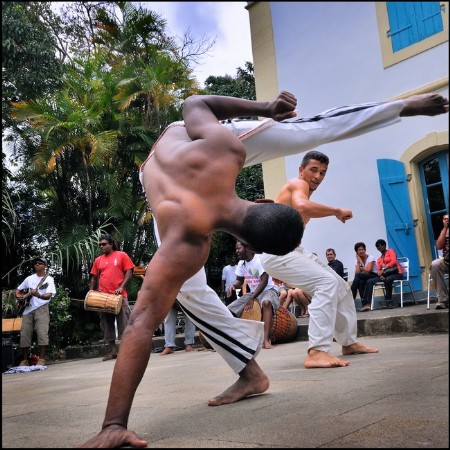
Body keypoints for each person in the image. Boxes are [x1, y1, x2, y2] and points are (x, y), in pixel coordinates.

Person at [80, 91, 448, 447]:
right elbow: (141, 323)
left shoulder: (224, 154)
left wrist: (266, 106)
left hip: (169, 155)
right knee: (305, 131)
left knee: (189, 291)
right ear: (254, 249)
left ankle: (250, 373)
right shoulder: (187, 238)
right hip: (182, 151)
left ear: (260, 203)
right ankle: (401, 107)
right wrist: (113, 423)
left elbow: (195, 101)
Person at [260, 150, 380, 369]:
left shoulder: (303, 189)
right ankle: (316, 351)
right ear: (301, 170)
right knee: (325, 284)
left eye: (323, 173)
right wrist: (336, 211)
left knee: (341, 286)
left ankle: (348, 343)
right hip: (277, 252)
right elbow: (302, 206)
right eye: (313, 170)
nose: (317, 177)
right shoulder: (298, 184)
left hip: (292, 250)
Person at [89, 235, 135, 361]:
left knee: (124, 324)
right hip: (103, 297)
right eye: (100, 245)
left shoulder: (121, 255)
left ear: (111, 244)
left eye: (104, 244)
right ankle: (113, 352)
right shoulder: (98, 260)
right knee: (107, 325)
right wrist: (91, 292)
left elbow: (129, 271)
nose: (101, 246)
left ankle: (126, 352)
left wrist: (121, 287)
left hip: (119, 296)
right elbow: (93, 277)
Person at [227, 241, 280, 349]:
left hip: (268, 290)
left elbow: (264, 281)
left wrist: (252, 298)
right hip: (254, 292)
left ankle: (266, 340)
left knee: (266, 303)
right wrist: (233, 286)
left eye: (238, 248)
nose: (236, 251)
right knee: (229, 309)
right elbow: (239, 281)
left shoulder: (259, 260)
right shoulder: (241, 264)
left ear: (246, 248)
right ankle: (227, 340)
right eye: (236, 249)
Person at [15, 257, 56, 367]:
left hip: (41, 308)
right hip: (27, 309)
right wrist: (19, 297)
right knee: (25, 333)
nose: (37, 265)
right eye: (36, 263)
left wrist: (39, 295)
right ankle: (24, 360)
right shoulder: (29, 278)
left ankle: (41, 359)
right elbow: (18, 290)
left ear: (45, 266)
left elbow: (48, 295)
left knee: (42, 332)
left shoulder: (49, 280)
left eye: (40, 263)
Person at [361, 239, 404, 310]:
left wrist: (385, 268)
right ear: (377, 248)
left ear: (385, 245)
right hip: (385, 275)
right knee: (369, 281)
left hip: (396, 273)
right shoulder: (379, 259)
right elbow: (379, 270)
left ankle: (389, 301)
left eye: (382, 245)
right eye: (378, 246)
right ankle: (366, 304)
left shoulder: (390, 251)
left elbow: (393, 261)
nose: (380, 246)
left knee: (388, 280)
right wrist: (380, 276)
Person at [430, 214, 449, 309]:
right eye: (445, 219)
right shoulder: (444, 231)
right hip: (447, 262)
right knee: (435, 264)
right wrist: (445, 229)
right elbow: (439, 246)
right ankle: (442, 299)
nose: (447, 220)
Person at [351, 242, 378, 306]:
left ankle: (351, 298)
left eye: (362, 249)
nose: (361, 251)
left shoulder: (371, 258)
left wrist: (361, 262)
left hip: (373, 275)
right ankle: (364, 304)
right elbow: (357, 272)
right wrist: (358, 262)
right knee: (360, 282)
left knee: (358, 277)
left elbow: (368, 271)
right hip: (364, 276)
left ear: (365, 250)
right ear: (356, 252)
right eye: (359, 250)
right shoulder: (357, 260)